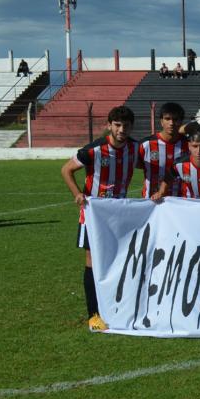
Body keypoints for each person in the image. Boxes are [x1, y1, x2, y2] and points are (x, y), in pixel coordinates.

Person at [60, 106, 139, 331]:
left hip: (119, 216)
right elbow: (66, 169)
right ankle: (93, 315)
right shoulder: (93, 150)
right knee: (92, 262)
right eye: (117, 125)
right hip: (93, 217)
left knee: (119, 260)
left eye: (126, 126)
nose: (122, 129)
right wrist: (77, 194)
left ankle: (116, 307)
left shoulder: (135, 148)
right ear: (109, 125)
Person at [138, 102, 188, 198]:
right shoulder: (145, 145)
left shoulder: (189, 145)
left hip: (180, 201)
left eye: (175, 119)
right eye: (167, 119)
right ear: (161, 121)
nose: (171, 123)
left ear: (181, 122)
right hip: (151, 201)